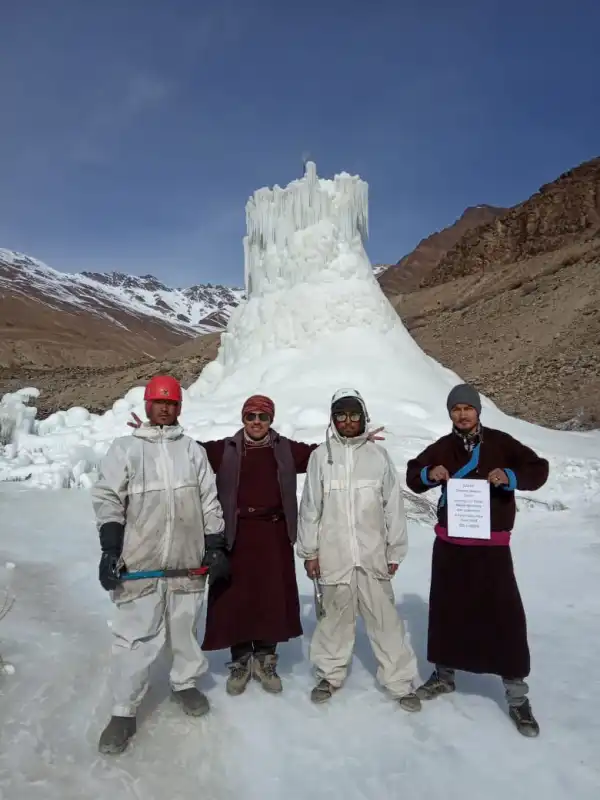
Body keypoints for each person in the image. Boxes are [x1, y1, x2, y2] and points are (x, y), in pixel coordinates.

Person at [128, 394, 384, 696]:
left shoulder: (285, 449)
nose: (257, 423)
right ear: (243, 419)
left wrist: (360, 440)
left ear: (271, 420)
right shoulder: (225, 449)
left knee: (269, 596)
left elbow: (325, 454)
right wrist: (156, 431)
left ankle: (265, 658)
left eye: (263, 417)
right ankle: (239, 660)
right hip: (235, 534)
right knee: (237, 598)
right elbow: (188, 450)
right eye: (251, 417)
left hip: (273, 533)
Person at [92, 375, 229, 755]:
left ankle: (185, 684)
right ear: (148, 405)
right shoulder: (125, 449)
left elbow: (209, 501)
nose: (166, 409)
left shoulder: (192, 451)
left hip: (187, 561)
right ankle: (124, 709)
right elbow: (108, 499)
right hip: (140, 562)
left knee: (185, 630)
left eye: (172, 404)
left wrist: (214, 546)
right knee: (136, 637)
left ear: (179, 408)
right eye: (160, 402)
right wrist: (110, 548)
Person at [405, 383, 549, 737]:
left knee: (504, 614)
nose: (462, 415)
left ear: (478, 411)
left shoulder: (501, 443)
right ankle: (444, 675)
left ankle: (517, 696)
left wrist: (510, 477)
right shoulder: (444, 446)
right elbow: (413, 474)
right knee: (448, 609)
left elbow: (539, 468)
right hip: (452, 544)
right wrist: (429, 474)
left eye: (467, 408)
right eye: (456, 409)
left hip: (491, 546)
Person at [297, 388, 421, 712]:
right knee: (334, 621)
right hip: (334, 555)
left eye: (354, 415)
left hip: (372, 556)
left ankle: (400, 681)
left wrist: (395, 552)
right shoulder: (320, 457)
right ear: (333, 419)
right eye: (341, 415)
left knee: (385, 620)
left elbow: (393, 507)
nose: (348, 421)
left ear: (363, 417)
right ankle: (329, 674)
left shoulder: (377, 457)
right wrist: (310, 552)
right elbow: (310, 507)